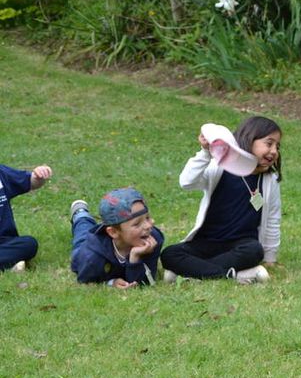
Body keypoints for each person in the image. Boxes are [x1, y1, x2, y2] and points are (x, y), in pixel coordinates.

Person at [161, 116, 282, 284]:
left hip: (241, 246)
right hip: (206, 243)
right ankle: (237, 275)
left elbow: (273, 219)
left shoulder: (270, 180)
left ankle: (191, 273)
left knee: (254, 250)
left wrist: (270, 258)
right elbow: (186, 182)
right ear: (249, 140)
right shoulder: (219, 167)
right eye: (269, 144)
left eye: (277, 146)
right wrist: (204, 153)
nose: (274, 151)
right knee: (169, 254)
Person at [69, 188, 164, 288]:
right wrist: (110, 282)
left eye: (147, 218)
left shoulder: (153, 239)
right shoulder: (92, 257)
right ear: (113, 232)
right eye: (137, 224)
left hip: (113, 234)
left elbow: (144, 283)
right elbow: (85, 280)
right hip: (86, 248)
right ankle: (80, 213)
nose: (148, 226)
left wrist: (134, 258)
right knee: (83, 233)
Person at [0, 163, 51, 272]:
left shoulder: (1, 173)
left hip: (5, 241)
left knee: (29, 244)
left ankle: (6, 263)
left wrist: (38, 176)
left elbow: (29, 182)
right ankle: (8, 264)